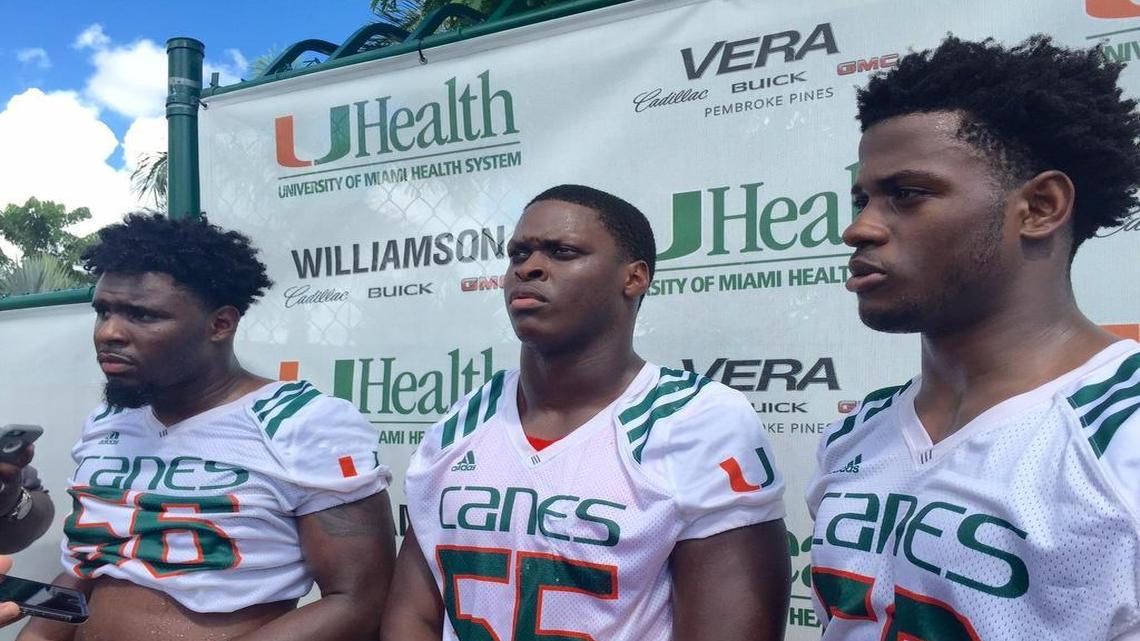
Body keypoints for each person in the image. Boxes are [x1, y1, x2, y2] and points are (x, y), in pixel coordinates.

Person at [807, 36, 1140, 640]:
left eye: (907, 194)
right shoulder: (855, 434)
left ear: (1040, 206)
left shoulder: (1124, 433)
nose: (859, 228)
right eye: (862, 198)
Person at [382, 185, 791, 641]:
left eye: (562, 252)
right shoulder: (463, 421)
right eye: (518, 253)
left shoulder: (695, 420)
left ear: (634, 278)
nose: (528, 268)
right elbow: (413, 614)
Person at [19, 213, 397, 641]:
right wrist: (36, 636)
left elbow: (359, 599)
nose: (109, 333)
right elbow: (91, 565)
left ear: (220, 324)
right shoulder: (108, 423)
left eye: (142, 315)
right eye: (103, 311)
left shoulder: (303, 423)